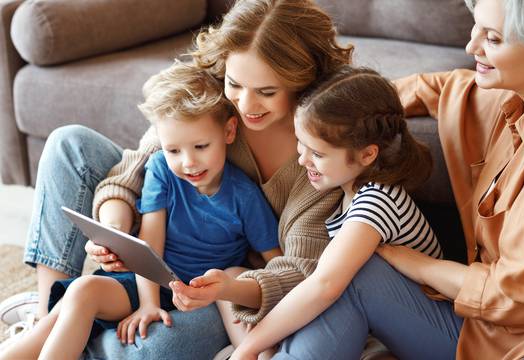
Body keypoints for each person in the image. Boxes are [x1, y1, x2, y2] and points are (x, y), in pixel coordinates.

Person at [264, 0, 524, 359]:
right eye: (477, 29)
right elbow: (441, 90)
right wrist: (342, 121)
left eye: (493, 38)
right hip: (494, 330)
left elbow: (522, 300)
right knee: (358, 272)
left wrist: (411, 261)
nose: (470, 45)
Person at [5, 0, 353, 358]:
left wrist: (228, 290)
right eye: (235, 84)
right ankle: (47, 314)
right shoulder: (211, 96)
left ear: (302, 82)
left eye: (267, 92)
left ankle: (73, 333)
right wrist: (115, 234)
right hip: (157, 261)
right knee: (69, 145)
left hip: (224, 286)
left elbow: (295, 272)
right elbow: (139, 168)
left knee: (154, 347)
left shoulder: (322, 157)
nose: (245, 104)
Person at [0, 59, 282, 359]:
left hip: (204, 295)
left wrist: (238, 287)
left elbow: (274, 263)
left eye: (201, 147)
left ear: (228, 132)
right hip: (151, 282)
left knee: (235, 281)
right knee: (78, 295)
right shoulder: (161, 167)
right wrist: (148, 303)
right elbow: (150, 247)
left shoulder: (245, 196)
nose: (188, 162)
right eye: (174, 150)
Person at [230, 66, 444, 359]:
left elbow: (325, 285)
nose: (303, 160)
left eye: (317, 154)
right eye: (301, 145)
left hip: (443, 337)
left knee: (348, 278)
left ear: (368, 154)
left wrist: (249, 347)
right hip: (388, 326)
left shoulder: (378, 200)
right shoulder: (345, 193)